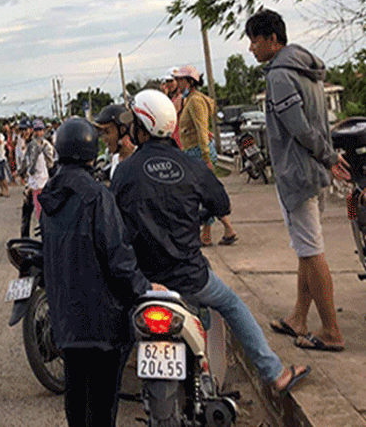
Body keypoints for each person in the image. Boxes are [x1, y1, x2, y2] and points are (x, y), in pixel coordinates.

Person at [112, 89, 311, 393]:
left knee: (118, 325)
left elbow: (115, 224)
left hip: (144, 280)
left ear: (143, 127)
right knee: (231, 303)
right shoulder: (192, 168)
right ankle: (275, 373)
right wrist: (196, 211)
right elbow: (222, 205)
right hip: (192, 276)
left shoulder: (124, 172)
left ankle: (105, 389)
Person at [39, 117, 160, 427]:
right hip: (103, 323)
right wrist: (146, 289)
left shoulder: (49, 198)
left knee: (76, 395)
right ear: (91, 154)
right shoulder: (96, 196)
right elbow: (119, 260)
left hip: (67, 322)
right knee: (103, 406)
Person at [246, 9, 350, 352]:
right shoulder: (306, 70)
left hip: (298, 173)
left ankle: (331, 331)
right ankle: (298, 318)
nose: (251, 48)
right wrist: (327, 158)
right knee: (306, 249)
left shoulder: (279, 76)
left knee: (311, 251)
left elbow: (300, 129)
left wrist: (329, 157)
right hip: (313, 171)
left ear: (273, 40)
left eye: (255, 40)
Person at [173, 65, 239, 246]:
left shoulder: (195, 102)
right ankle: (220, 231)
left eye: (180, 80)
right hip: (193, 151)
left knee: (205, 196)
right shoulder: (189, 100)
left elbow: (202, 130)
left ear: (189, 82)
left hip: (198, 152)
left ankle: (213, 233)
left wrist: (206, 157)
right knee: (204, 195)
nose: (177, 84)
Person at [19, 119, 54, 237]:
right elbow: (25, 163)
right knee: (26, 213)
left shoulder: (45, 146)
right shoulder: (27, 145)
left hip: (41, 184)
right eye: (22, 130)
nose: (24, 133)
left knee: (42, 215)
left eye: (26, 130)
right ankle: (24, 239)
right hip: (31, 184)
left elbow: (50, 165)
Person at [92, 104, 136, 180]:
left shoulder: (138, 160)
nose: (104, 139)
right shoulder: (114, 158)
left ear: (122, 130)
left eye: (107, 132)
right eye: (102, 133)